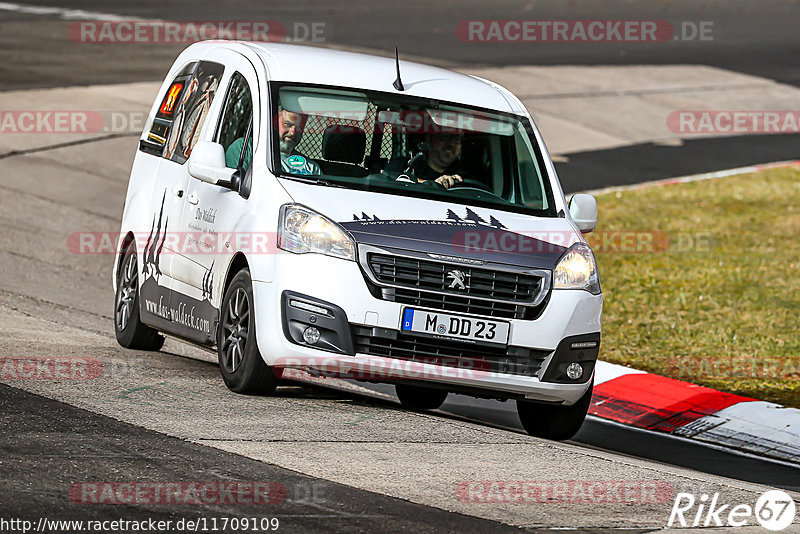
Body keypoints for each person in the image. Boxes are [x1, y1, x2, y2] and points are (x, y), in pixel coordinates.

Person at [224, 106, 321, 175]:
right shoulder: (246, 148)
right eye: (287, 124)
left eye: (299, 127)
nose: (293, 132)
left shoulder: (311, 168)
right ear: (274, 122)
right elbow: (235, 188)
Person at [384, 131, 465, 189]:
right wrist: (434, 185)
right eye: (446, 136)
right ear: (429, 138)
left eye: (457, 140)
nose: (451, 144)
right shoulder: (401, 165)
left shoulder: (463, 177)